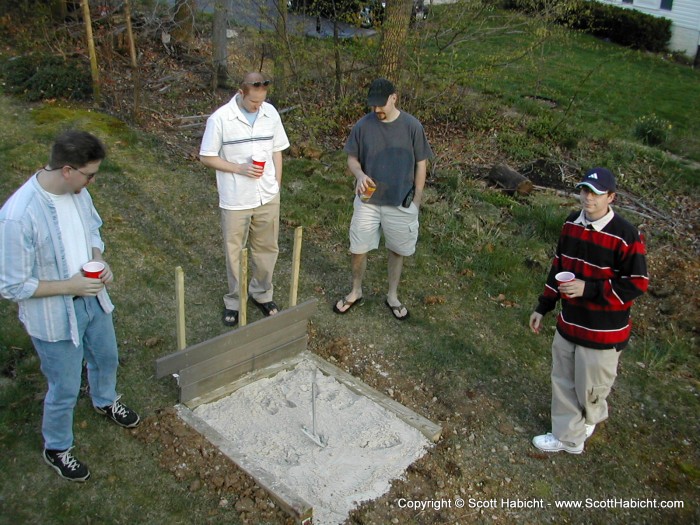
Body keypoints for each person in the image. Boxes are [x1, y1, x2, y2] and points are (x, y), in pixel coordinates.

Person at [0, 130, 140, 482]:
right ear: (66, 169)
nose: (93, 180)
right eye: (89, 174)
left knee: (106, 357)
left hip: (93, 299)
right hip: (53, 318)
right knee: (63, 386)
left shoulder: (78, 193)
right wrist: (71, 286)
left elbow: (93, 231)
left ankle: (105, 399)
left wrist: (98, 259)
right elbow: (13, 285)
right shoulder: (18, 216)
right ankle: (57, 447)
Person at [529, 167, 648, 454]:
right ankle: (568, 438)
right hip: (570, 322)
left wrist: (589, 289)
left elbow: (637, 283)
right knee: (563, 380)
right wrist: (543, 306)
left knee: (591, 389)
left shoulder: (626, 235)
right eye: (584, 190)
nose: (588, 198)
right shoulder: (571, 224)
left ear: (611, 197)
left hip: (603, 332)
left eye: (595, 193)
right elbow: (558, 266)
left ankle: (588, 420)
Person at [334, 78, 433, 320]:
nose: (376, 110)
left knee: (397, 250)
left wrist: (417, 199)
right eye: (372, 106)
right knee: (358, 248)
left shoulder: (412, 126)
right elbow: (352, 158)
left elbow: (422, 164)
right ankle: (356, 291)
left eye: (381, 105)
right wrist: (358, 174)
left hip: (401, 201)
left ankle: (392, 296)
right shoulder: (362, 126)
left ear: (394, 98)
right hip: (367, 200)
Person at [200, 72, 290, 326]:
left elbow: (277, 150)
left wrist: (276, 184)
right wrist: (239, 168)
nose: (258, 106)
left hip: (267, 195)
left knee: (266, 249)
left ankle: (261, 293)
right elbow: (206, 156)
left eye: (261, 101)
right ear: (241, 93)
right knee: (234, 252)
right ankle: (234, 301)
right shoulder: (220, 119)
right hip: (236, 199)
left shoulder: (270, 113)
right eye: (253, 103)